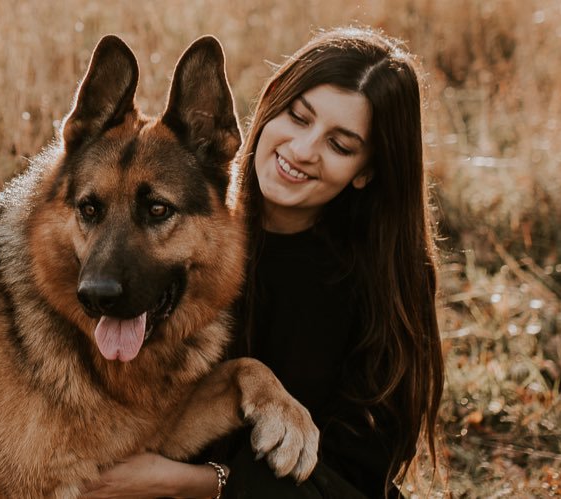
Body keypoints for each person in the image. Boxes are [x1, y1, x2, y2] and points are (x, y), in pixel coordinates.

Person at [80, 27, 445, 499]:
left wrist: (188, 485)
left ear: (367, 170)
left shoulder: (385, 283)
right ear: (270, 101)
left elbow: (358, 479)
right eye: (298, 117)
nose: (303, 150)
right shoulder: (186, 228)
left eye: (340, 145)